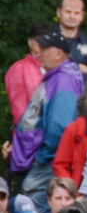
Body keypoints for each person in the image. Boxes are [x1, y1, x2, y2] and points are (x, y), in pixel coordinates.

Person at [13, 32, 85, 205]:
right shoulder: (58, 77)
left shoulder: (63, 80)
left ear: (58, 53)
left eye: (44, 49)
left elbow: (60, 127)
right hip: (45, 158)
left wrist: (43, 157)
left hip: (47, 160)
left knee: (35, 208)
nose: (39, 54)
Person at [6, 24, 51, 180]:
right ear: (30, 42)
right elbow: (19, 113)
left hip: (53, 141)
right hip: (30, 144)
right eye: (38, 41)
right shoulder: (19, 69)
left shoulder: (55, 69)